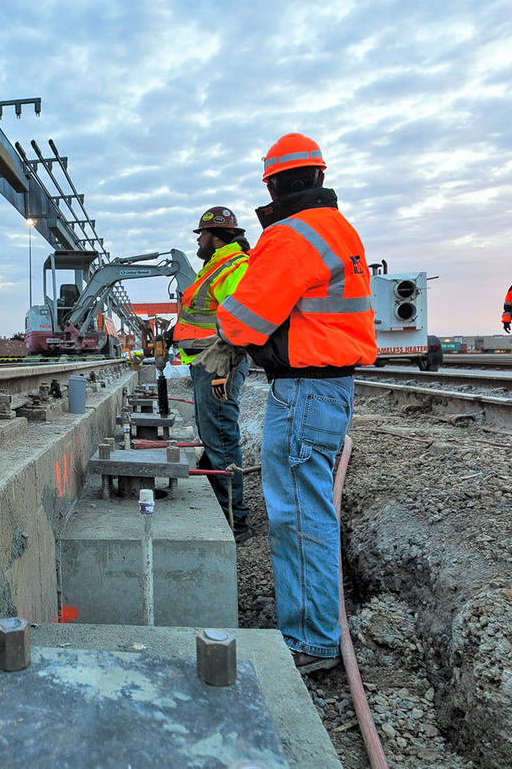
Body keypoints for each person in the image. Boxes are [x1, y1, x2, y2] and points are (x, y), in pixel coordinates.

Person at [208, 133, 377, 675]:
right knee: (309, 509)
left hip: (304, 390)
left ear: (274, 183)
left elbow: (243, 318)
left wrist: (226, 332)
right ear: (320, 178)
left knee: (299, 515)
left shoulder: (289, 234)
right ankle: (315, 632)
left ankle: (310, 641)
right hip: (330, 387)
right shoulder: (338, 228)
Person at [170, 206, 253, 543]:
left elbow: (241, 318)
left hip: (220, 363)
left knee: (220, 438)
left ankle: (235, 523)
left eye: (201, 234)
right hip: (208, 362)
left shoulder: (235, 267)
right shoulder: (214, 268)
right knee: (214, 436)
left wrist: (225, 362)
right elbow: (203, 314)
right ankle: (225, 511)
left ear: (217, 237)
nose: (198, 241)